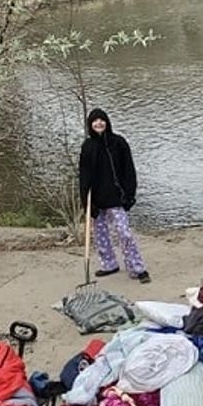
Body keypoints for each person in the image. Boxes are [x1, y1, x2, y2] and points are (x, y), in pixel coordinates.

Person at [78, 108, 150, 283]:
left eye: (102, 120)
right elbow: (84, 175)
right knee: (100, 235)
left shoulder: (118, 143)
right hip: (96, 199)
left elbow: (129, 171)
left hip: (117, 198)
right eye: (95, 121)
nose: (99, 123)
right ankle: (109, 264)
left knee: (125, 234)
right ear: (90, 125)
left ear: (107, 122)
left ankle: (137, 268)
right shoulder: (88, 146)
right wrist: (86, 202)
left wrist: (130, 195)